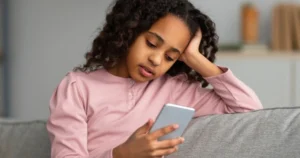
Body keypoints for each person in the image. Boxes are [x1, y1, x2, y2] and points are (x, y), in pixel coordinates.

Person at [47, 0, 263, 157]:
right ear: (129, 32)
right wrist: (121, 154)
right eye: (151, 43)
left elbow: (251, 111)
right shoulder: (77, 87)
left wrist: (195, 58)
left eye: (171, 56)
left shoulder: (176, 90)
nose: (157, 60)